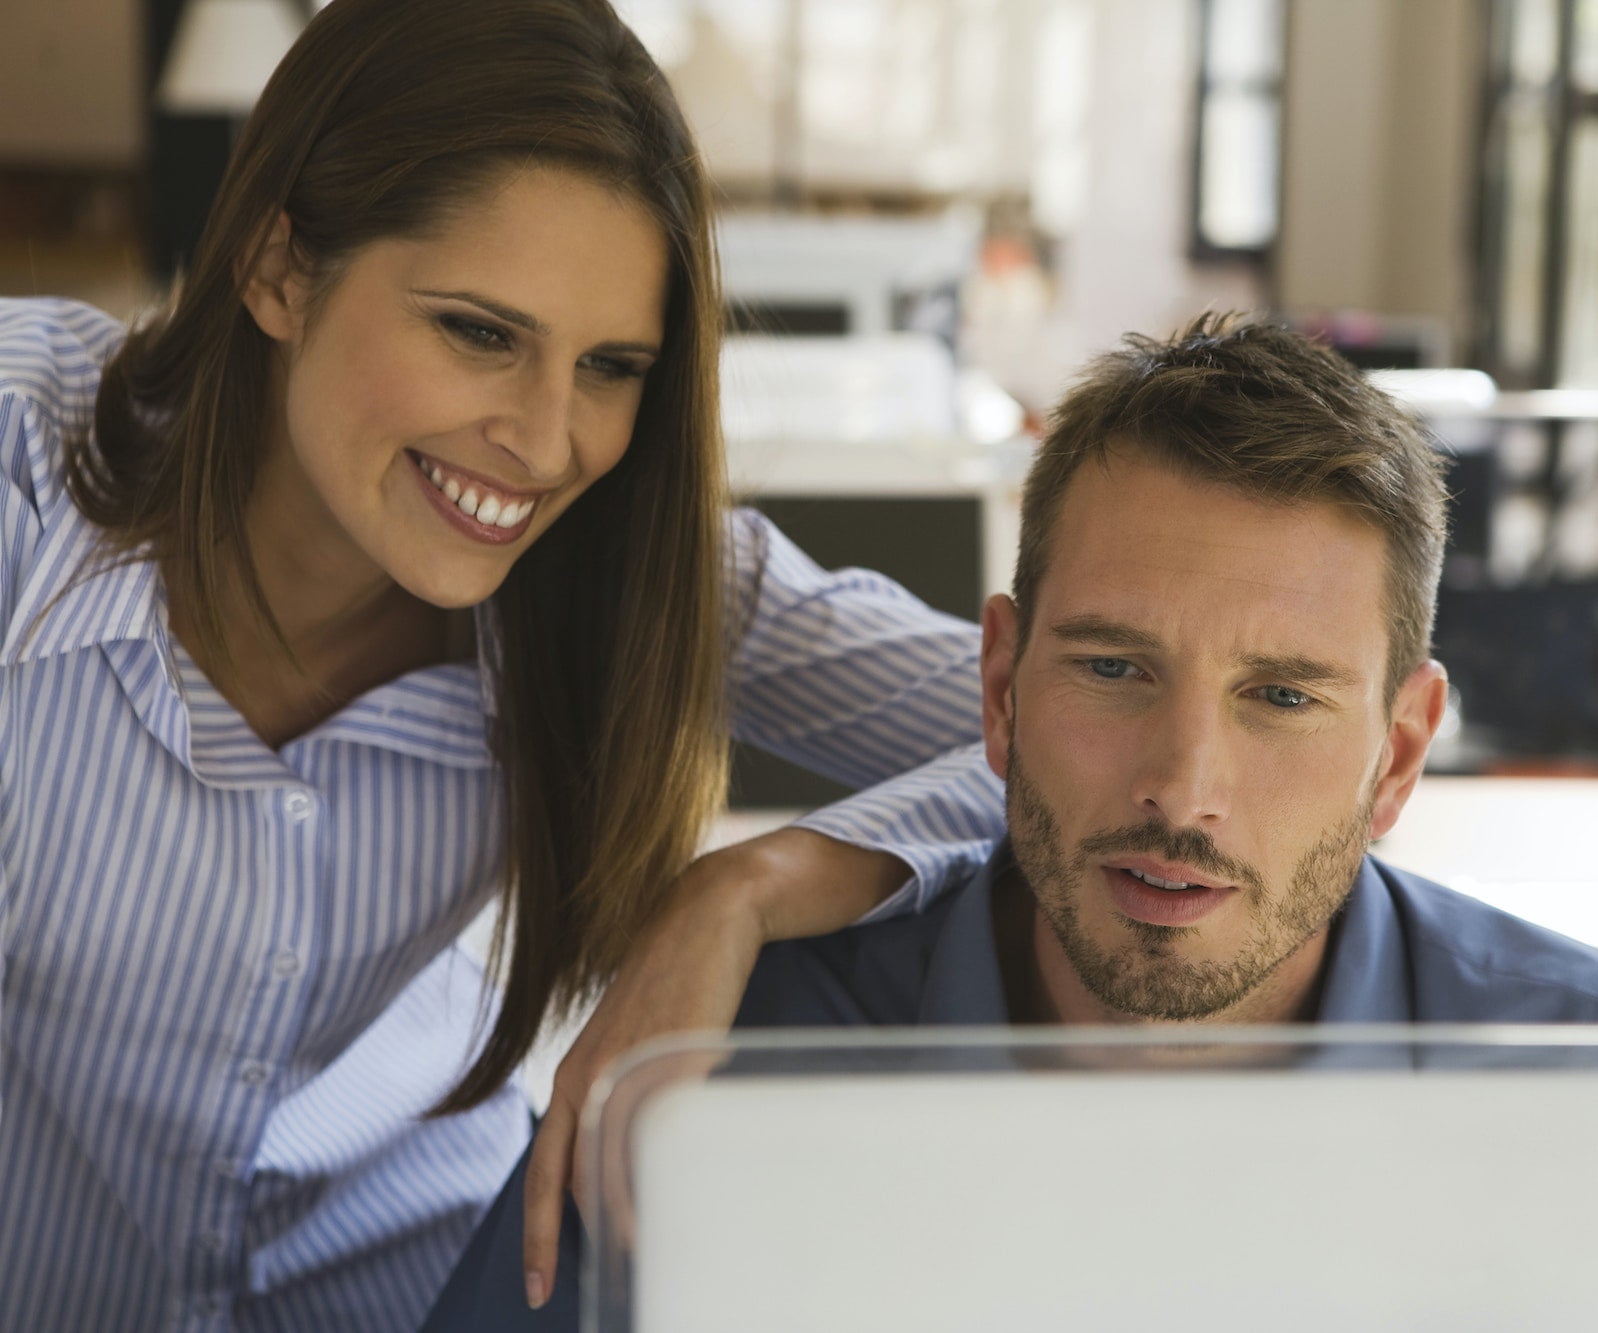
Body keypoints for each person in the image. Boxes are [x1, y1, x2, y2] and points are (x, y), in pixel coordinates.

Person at [0, 0, 1005, 1327]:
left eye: (610, 365)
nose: (543, 441)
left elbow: (1092, 740)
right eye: (480, 330)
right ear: (278, 269)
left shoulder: (637, 563)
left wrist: (752, 883)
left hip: (449, 1286)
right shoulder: (24, 461)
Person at [423, 315, 1598, 1331]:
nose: (1181, 787)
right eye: (1113, 668)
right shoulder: (715, 1078)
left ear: (1396, 755)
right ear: (998, 687)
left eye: (1279, 696)